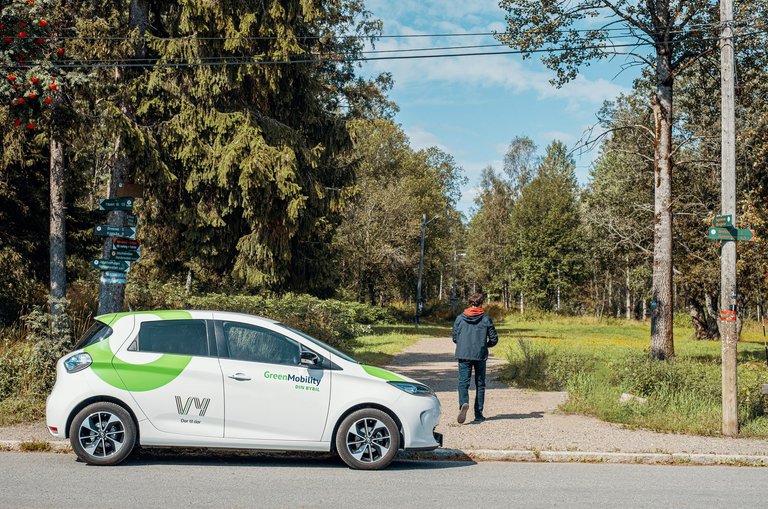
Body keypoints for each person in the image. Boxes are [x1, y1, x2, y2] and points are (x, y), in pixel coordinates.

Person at [452, 292, 498, 424]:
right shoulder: (486, 319)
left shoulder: (460, 318)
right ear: (481, 303)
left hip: (463, 354)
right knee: (480, 384)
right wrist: (485, 345)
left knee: (463, 382)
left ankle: (463, 403)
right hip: (480, 354)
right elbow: (494, 339)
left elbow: (455, 337)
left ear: (469, 303)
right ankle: (478, 414)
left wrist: (463, 344)